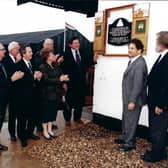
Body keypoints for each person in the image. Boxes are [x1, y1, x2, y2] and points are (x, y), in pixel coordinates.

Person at [114, 39, 148, 152]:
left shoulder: (140, 64)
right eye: (129, 48)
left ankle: (130, 143)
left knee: (131, 121)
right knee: (126, 119)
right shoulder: (133, 61)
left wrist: (132, 101)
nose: (129, 50)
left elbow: (138, 85)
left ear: (139, 50)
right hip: (127, 97)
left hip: (133, 99)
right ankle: (125, 137)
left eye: (132, 48)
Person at [141, 31, 168, 162]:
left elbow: (166, 85)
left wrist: (161, 105)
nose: (156, 43)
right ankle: (159, 151)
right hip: (154, 100)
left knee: (158, 130)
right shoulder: (162, 56)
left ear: (163, 43)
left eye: (157, 41)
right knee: (155, 128)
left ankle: (157, 155)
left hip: (159, 103)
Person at [62, 36, 97, 126]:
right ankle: (67, 119)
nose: (77, 44)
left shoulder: (82, 52)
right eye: (75, 43)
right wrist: (64, 83)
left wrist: (93, 60)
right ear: (70, 44)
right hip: (70, 82)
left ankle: (77, 117)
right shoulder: (65, 54)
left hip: (81, 82)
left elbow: (87, 62)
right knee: (69, 101)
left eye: (78, 43)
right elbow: (62, 69)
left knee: (80, 101)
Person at [33, 38, 64, 131]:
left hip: (53, 88)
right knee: (42, 108)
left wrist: (56, 63)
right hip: (42, 86)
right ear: (44, 45)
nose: (51, 46)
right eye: (49, 44)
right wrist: (55, 61)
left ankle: (49, 125)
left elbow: (57, 71)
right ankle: (40, 126)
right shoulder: (38, 55)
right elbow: (39, 67)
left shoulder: (53, 61)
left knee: (50, 109)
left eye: (52, 44)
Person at [15, 44, 42, 147]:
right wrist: (33, 78)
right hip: (23, 97)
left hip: (34, 96)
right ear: (23, 53)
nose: (32, 53)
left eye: (31, 51)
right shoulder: (18, 65)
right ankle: (22, 137)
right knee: (22, 118)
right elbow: (19, 83)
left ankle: (30, 133)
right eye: (29, 52)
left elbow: (36, 77)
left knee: (32, 117)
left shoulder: (33, 63)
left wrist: (39, 77)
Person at [39, 48, 69, 140]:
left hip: (56, 93)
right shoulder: (42, 67)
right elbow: (46, 80)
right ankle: (45, 131)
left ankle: (50, 129)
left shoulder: (55, 65)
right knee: (46, 113)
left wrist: (64, 78)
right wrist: (60, 79)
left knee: (52, 112)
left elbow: (60, 75)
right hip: (47, 94)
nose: (54, 56)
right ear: (47, 57)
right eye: (52, 54)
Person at [0, 42, 24, 151]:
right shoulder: (5, 60)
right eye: (2, 49)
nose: (4, 51)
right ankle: (11, 134)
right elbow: (6, 79)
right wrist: (11, 79)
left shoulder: (2, 62)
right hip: (4, 94)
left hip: (13, 93)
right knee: (6, 116)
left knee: (9, 114)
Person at [3, 41, 21, 142]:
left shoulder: (17, 58)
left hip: (18, 91)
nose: (19, 51)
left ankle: (19, 132)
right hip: (10, 92)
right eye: (18, 49)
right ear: (12, 49)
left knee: (19, 113)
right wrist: (17, 62)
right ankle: (12, 134)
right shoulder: (6, 60)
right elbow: (10, 74)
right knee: (12, 114)